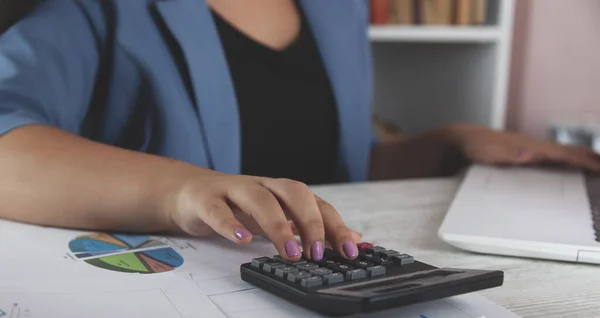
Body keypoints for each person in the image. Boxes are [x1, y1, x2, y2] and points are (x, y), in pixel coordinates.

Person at [0, 0, 598, 263]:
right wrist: (180, 191)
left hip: (322, 298)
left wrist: (448, 144)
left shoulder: (336, 8)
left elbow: (327, 168)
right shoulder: (96, 9)